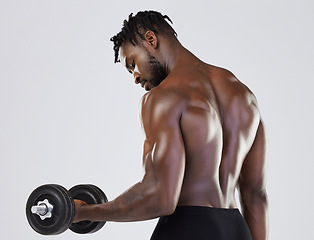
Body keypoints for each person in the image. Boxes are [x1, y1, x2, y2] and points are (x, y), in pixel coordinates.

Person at [73, 10, 268, 240]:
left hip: (187, 229)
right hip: (236, 229)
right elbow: (255, 195)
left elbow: (160, 196)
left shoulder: (163, 97)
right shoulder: (244, 95)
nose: (135, 76)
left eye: (132, 63)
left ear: (151, 39)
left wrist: (83, 212)